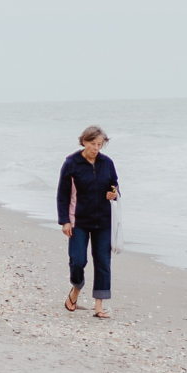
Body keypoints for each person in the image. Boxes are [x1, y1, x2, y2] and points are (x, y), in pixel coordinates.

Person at [57, 125, 119, 316]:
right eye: (93, 143)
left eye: (100, 144)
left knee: (102, 263)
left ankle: (99, 306)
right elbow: (63, 195)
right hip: (79, 222)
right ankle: (76, 289)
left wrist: (113, 194)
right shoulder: (71, 163)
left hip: (103, 222)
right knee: (77, 261)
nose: (96, 148)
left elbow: (115, 187)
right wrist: (65, 220)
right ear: (84, 141)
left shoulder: (107, 163)